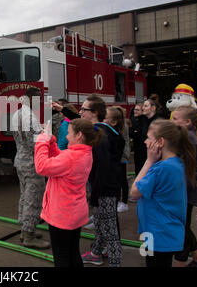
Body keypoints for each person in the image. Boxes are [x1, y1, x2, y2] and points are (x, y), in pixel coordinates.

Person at [52, 95, 124, 267]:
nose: (81, 112)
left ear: (95, 113)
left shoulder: (101, 137)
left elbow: (103, 169)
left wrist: (96, 194)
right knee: (101, 224)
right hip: (104, 188)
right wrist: (63, 109)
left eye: (84, 109)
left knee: (110, 231)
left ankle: (115, 262)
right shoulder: (100, 130)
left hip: (105, 190)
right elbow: (79, 121)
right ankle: (97, 252)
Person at [35, 118, 102, 267]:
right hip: (74, 214)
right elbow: (59, 159)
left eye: (69, 133)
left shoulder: (71, 157)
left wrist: (41, 141)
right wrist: (51, 142)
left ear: (79, 136)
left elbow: (41, 167)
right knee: (72, 252)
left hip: (62, 216)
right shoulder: (84, 153)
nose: (66, 136)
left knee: (62, 257)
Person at [130, 119, 193, 267]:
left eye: (148, 138)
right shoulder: (176, 162)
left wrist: (149, 161)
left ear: (160, 142)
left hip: (156, 233)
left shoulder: (160, 168)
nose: (145, 142)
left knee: (152, 262)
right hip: (160, 230)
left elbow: (134, 191)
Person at [11, 87, 50, 249]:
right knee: (33, 199)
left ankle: (24, 229)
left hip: (20, 160)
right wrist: (45, 134)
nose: (41, 102)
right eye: (39, 99)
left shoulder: (17, 113)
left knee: (24, 196)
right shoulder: (30, 117)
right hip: (31, 163)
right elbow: (35, 143)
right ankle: (29, 235)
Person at [172, 107, 197, 267]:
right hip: (187, 190)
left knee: (181, 230)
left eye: (175, 118)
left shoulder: (188, 139)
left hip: (186, 192)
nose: (172, 121)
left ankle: (180, 262)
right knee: (184, 226)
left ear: (187, 122)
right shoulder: (189, 136)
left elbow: (185, 171)